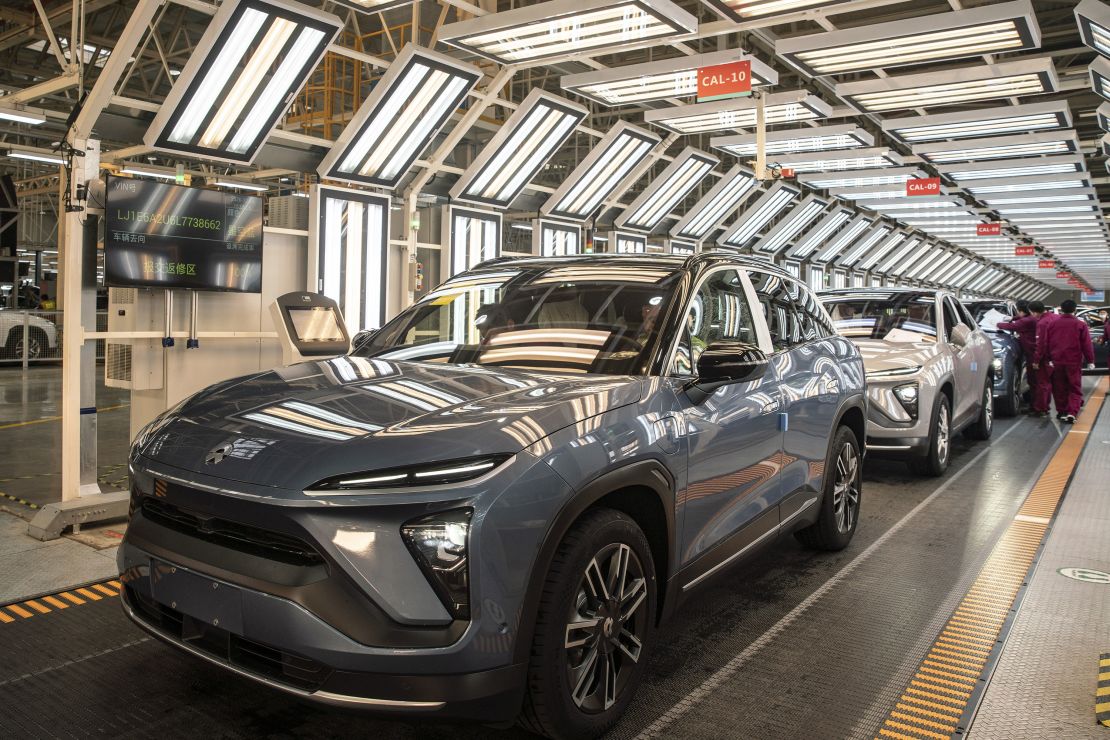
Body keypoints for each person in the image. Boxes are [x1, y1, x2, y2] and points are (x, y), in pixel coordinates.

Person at [1034, 299, 1094, 424]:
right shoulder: (1080, 324)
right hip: (1074, 361)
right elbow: (1086, 344)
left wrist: (1049, 358)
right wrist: (1090, 360)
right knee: (1074, 387)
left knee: (1059, 387)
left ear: (1061, 309)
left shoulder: (1052, 324)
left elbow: (1046, 342)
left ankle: (1062, 412)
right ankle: (1072, 412)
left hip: (1057, 361)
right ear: (1075, 310)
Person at [997, 301, 1036, 404]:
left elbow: (1012, 327)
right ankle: (1038, 406)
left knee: (1036, 381)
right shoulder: (1028, 318)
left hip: (1031, 352)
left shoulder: (1026, 321)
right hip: (1031, 351)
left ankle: (1038, 407)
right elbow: (1019, 319)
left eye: (1018, 312)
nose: (1017, 314)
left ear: (1021, 311)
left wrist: (997, 323)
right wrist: (1012, 318)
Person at [1027, 301, 1058, 417]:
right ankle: (1061, 409)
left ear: (1035, 312)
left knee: (1042, 383)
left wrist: (1036, 360)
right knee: (1054, 384)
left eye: (1031, 313)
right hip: (1058, 356)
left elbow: (1041, 344)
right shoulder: (1055, 317)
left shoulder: (1042, 323)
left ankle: (1041, 409)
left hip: (1045, 357)